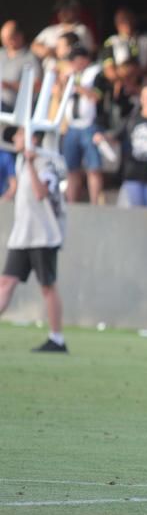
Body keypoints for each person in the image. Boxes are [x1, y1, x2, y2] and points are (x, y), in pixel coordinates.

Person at [0, 128, 68, 353]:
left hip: (43, 235)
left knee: (47, 286)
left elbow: (41, 194)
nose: (14, 140)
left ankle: (57, 338)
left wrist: (31, 163)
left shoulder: (46, 163)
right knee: (6, 282)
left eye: (19, 135)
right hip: (22, 235)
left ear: (32, 138)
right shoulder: (20, 161)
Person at [61, 47, 106, 204]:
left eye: (76, 60)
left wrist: (75, 85)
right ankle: (71, 204)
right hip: (72, 126)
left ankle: (95, 203)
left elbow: (97, 96)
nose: (74, 64)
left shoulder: (96, 73)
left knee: (93, 167)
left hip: (90, 125)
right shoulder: (71, 75)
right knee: (71, 168)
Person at [1, 21, 41, 112]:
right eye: (3, 39)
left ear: (19, 36)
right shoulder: (1, 54)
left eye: (9, 38)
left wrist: (10, 85)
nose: (5, 42)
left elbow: (37, 87)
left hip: (15, 107)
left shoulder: (30, 58)